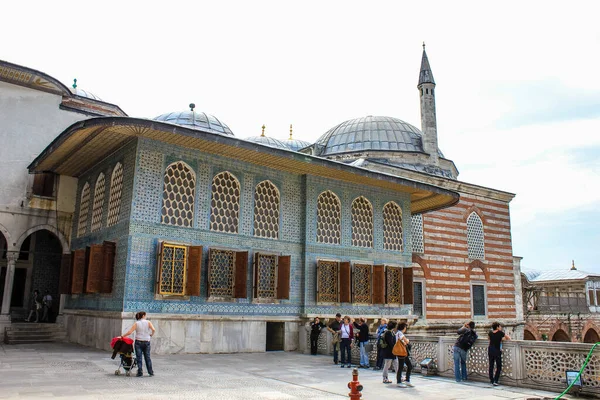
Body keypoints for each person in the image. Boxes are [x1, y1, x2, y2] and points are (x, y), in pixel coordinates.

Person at [120, 311, 156, 377]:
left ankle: (140, 372)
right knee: (147, 357)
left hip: (138, 342)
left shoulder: (136, 323)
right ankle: (150, 372)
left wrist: (123, 336)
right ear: (143, 316)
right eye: (145, 315)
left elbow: (129, 332)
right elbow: (153, 329)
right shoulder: (148, 322)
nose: (146, 316)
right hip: (146, 341)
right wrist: (151, 335)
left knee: (139, 357)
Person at [488, 321, 511, 386]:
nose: (500, 328)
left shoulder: (490, 333)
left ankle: (491, 380)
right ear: (497, 327)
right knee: (499, 366)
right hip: (497, 350)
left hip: (490, 349)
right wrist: (501, 339)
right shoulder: (500, 333)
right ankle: (496, 380)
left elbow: (489, 339)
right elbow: (508, 338)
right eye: (500, 326)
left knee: (491, 365)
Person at [395, 322, 413, 388]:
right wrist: (407, 340)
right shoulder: (400, 333)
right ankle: (399, 381)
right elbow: (406, 341)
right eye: (405, 327)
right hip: (401, 352)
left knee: (408, 366)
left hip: (402, 352)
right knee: (401, 367)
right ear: (404, 327)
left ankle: (407, 380)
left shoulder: (397, 333)